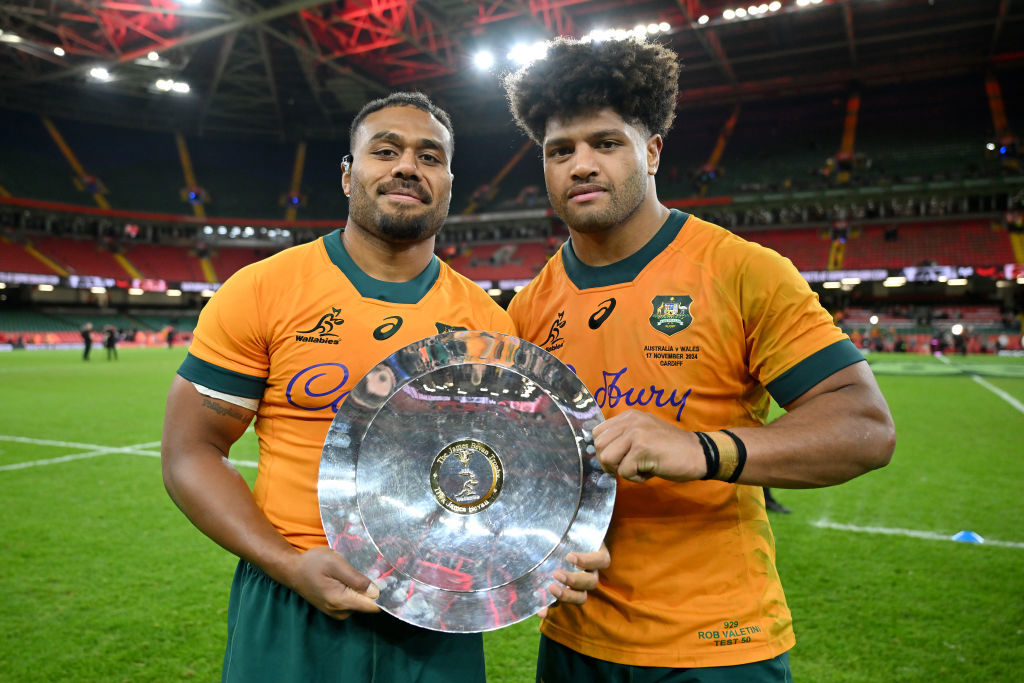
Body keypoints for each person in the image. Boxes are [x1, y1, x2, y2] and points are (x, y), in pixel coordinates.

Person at [161, 91, 606, 683]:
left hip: (439, 614)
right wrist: (287, 565)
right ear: (349, 175)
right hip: (294, 600)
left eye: (429, 157)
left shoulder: (489, 325)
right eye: (385, 150)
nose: (406, 167)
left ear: (448, 182)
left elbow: (515, 478)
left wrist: (554, 548)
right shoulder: (262, 289)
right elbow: (190, 451)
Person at [503, 38, 896, 680]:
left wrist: (705, 451)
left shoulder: (742, 270)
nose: (580, 165)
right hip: (572, 640)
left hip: (716, 645)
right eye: (560, 150)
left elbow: (865, 428)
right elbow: (525, 465)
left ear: (652, 151)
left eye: (606, 143)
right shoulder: (529, 307)